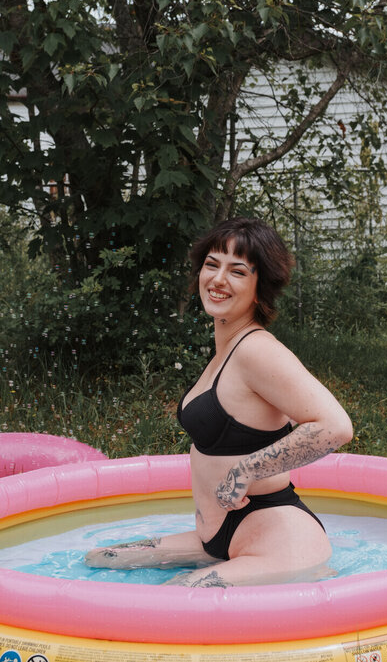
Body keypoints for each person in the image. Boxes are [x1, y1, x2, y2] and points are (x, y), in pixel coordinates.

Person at [85, 217, 353, 587]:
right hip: (217, 539)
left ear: (260, 289)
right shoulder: (226, 352)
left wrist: (246, 471)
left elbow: (335, 427)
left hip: (278, 541)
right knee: (100, 558)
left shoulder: (257, 351)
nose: (218, 279)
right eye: (212, 265)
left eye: (237, 271)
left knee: (170, 600)